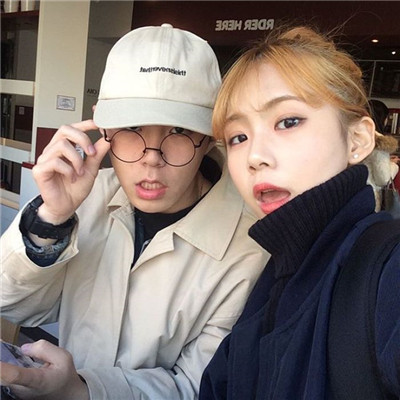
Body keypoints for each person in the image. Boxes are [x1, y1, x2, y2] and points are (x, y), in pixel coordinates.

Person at [0, 24, 268, 400]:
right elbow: (14, 306)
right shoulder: (87, 197)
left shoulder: (251, 245)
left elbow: (201, 386)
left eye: (179, 131)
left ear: (210, 137)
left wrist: (81, 390)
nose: (151, 159)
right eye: (132, 127)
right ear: (102, 126)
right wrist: (52, 219)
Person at [199, 25, 400, 399]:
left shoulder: (389, 268)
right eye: (238, 137)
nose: (255, 156)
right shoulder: (269, 284)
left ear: (357, 139)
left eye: (288, 122)